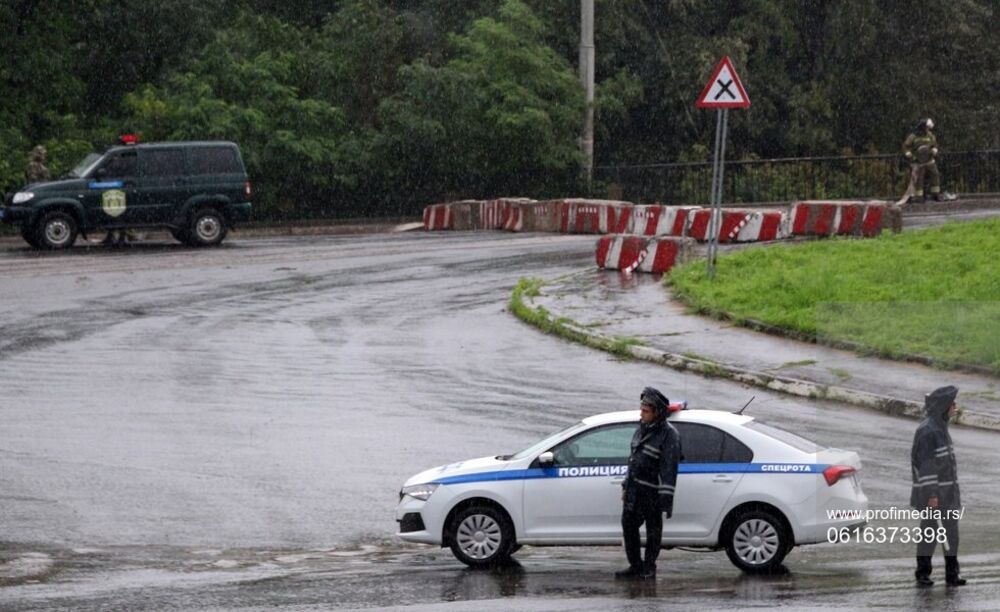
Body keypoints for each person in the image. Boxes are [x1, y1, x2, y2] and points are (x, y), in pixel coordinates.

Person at [615, 387, 681, 580]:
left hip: (652, 492)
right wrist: (626, 486)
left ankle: (649, 567)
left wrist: (665, 499)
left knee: (653, 532)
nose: (641, 414)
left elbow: (669, 470)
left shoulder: (669, 435)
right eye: (641, 410)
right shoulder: (641, 429)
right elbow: (633, 459)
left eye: (645, 411)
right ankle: (635, 565)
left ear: (657, 413)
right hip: (635, 489)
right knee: (628, 526)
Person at [910, 385, 966, 587]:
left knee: (952, 535)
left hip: (948, 496)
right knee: (929, 535)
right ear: (944, 407)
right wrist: (932, 495)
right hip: (933, 497)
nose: (955, 408)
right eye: (953, 405)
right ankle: (923, 574)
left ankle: (952, 575)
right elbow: (926, 467)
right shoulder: (928, 431)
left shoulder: (941, 428)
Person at [902, 118, 942, 203]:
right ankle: (919, 197)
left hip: (929, 160)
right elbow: (906, 146)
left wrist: (935, 149)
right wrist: (909, 154)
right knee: (919, 179)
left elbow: (934, 144)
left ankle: (936, 194)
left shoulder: (930, 135)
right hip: (918, 162)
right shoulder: (913, 136)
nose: (928, 129)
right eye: (927, 128)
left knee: (935, 175)